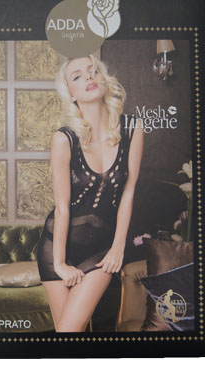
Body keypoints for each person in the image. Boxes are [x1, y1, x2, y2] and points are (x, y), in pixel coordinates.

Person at [36, 54, 144, 332]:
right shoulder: (64, 139)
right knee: (70, 337)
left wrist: (118, 248)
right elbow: (62, 207)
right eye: (78, 76)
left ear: (104, 79)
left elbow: (128, 193)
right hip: (56, 248)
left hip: (100, 251)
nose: (88, 77)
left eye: (93, 71)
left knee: (68, 332)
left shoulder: (132, 128)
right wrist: (59, 264)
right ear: (71, 94)